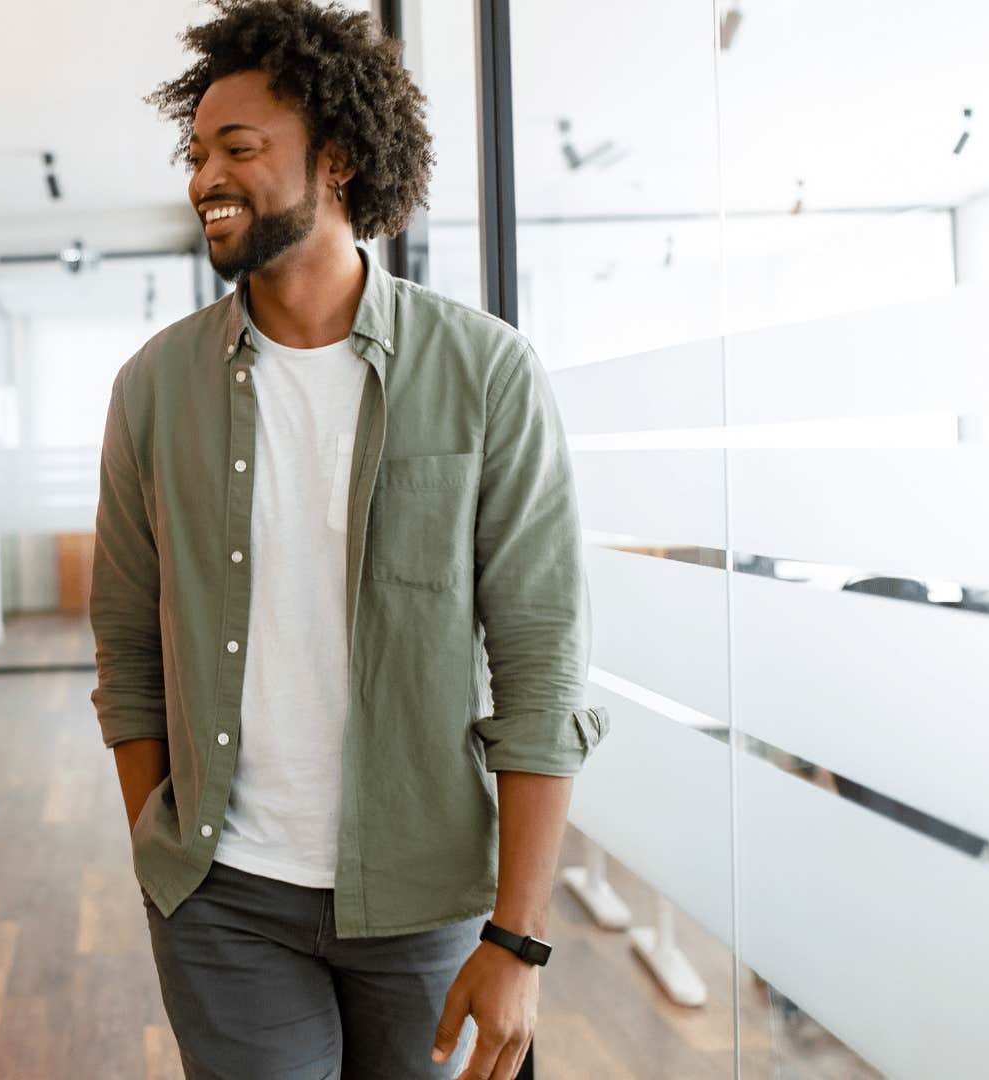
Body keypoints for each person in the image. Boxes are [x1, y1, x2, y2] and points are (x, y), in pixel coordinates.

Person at [89, 3, 608, 1078]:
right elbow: (126, 644)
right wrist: (160, 846)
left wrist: (517, 936)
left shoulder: (484, 373)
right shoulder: (153, 389)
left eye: (239, 149)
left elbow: (540, 659)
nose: (204, 179)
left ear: (336, 160)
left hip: (429, 898)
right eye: (197, 153)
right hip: (223, 900)